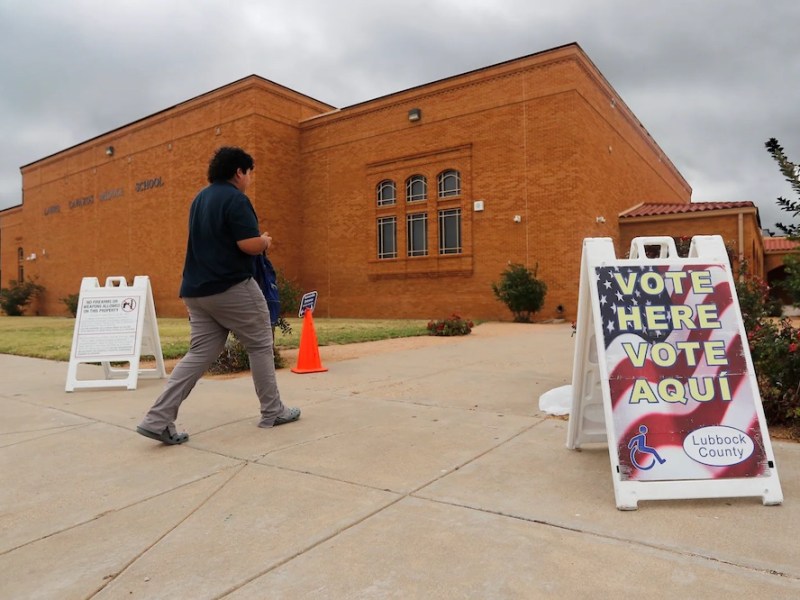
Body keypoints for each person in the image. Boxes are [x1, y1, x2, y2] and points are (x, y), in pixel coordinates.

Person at [137, 147, 300, 445]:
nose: (250, 179)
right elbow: (247, 244)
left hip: (196, 291)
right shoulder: (236, 199)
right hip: (231, 286)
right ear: (239, 171)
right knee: (261, 343)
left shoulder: (200, 198)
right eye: (249, 173)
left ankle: (157, 418)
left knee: (200, 353)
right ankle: (273, 411)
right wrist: (264, 241)